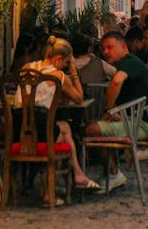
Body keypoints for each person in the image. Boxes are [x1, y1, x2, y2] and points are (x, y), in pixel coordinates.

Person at [16, 35, 101, 199]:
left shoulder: (27, 67)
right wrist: (74, 73)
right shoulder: (58, 76)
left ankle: (70, 178)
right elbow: (79, 98)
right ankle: (58, 185)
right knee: (64, 130)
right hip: (41, 129)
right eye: (66, 63)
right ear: (59, 58)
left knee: (63, 128)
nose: (66, 67)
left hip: (19, 127)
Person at [84, 30, 148, 189]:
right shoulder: (128, 63)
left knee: (91, 129)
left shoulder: (129, 61)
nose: (106, 52)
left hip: (144, 125)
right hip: (142, 120)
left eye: (110, 47)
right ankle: (112, 172)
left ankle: (113, 174)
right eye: (104, 48)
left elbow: (116, 82)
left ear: (123, 47)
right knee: (97, 126)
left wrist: (108, 110)